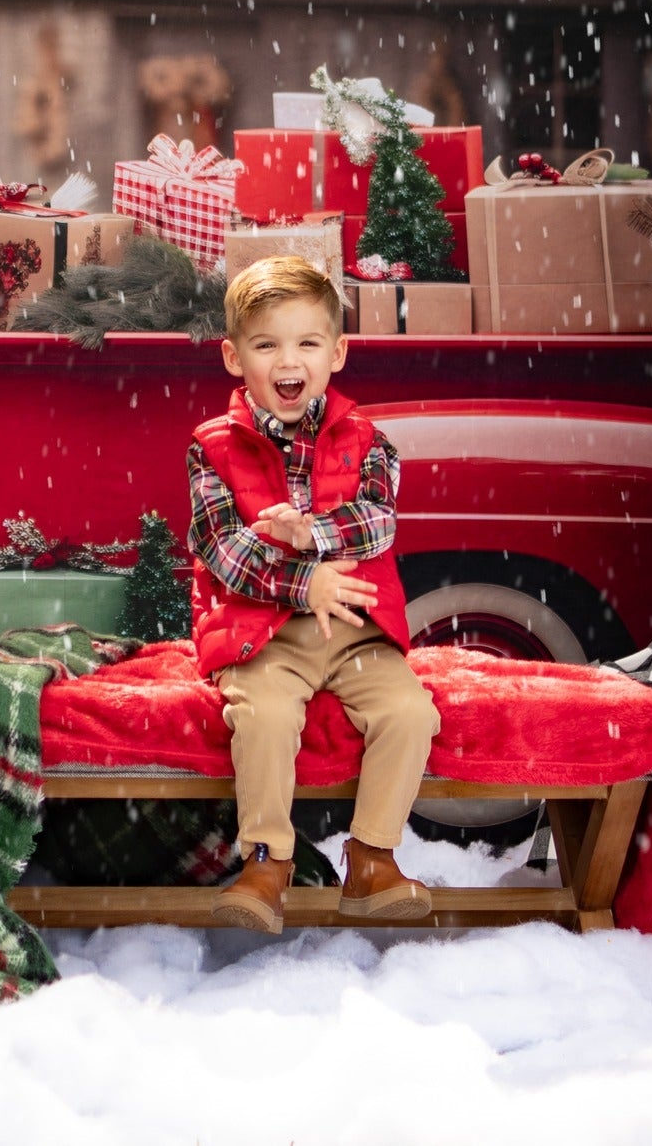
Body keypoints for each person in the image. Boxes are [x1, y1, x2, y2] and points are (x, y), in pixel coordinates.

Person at [187, 255, 442, 933]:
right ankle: (268, 862)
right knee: (264, 717)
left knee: (409, 715)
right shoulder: (213, 448)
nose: (287, 360)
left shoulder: (370, 442)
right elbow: (222, 550)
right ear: (234, 358)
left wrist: (309, 535)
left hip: (356, 625)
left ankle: (372, 857)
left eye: (306, 343)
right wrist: (305, 581)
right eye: (266, 344)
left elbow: (377, 521)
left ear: (337, 352)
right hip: (263, 631)